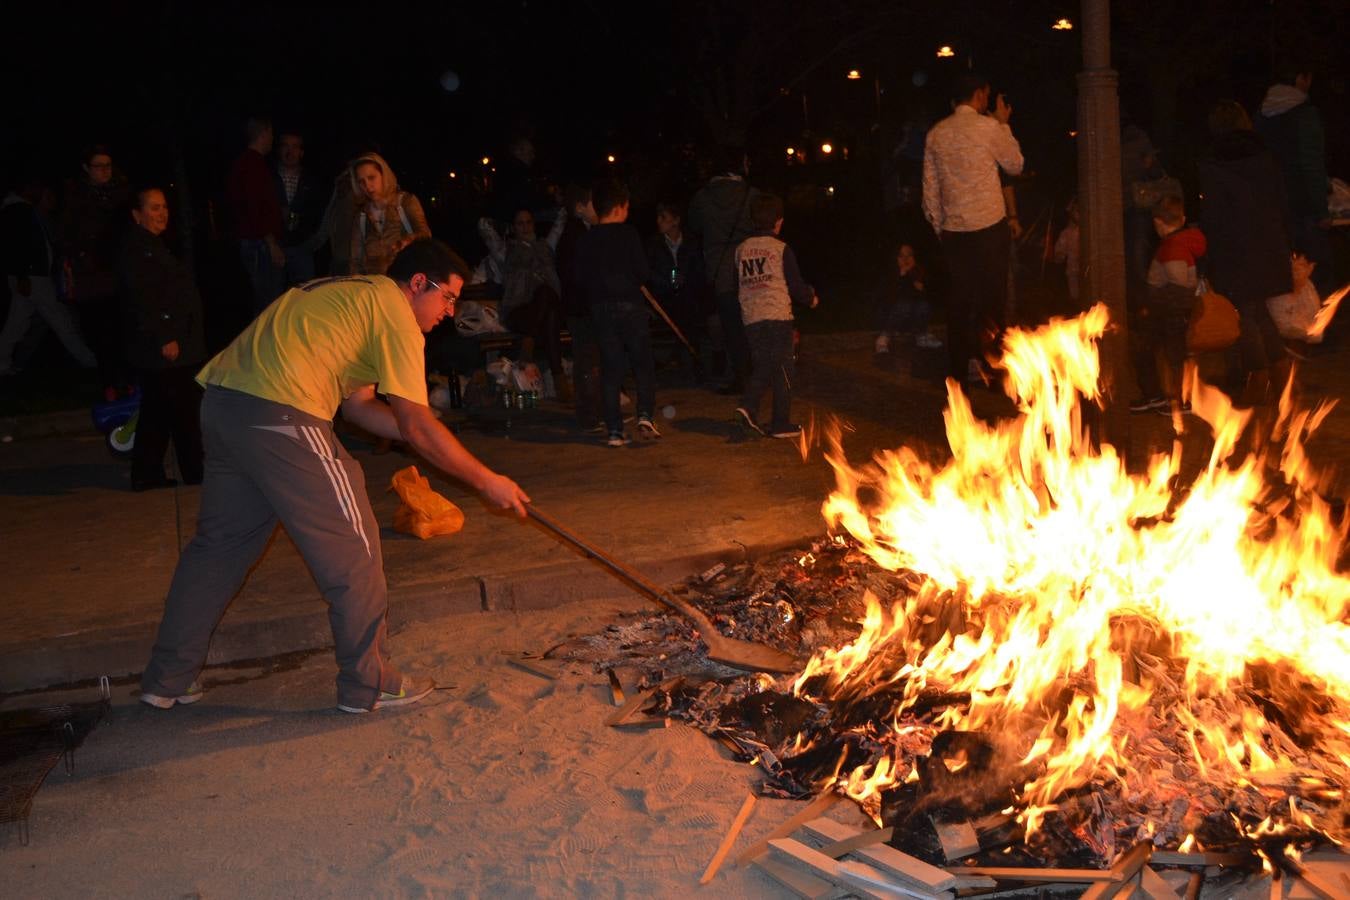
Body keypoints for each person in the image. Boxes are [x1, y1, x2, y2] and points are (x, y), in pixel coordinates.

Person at [138, 238, 530, 714]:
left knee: (218, 550)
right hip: (283, 413)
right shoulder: (394, 312)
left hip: (226, 406)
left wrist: (429, 432)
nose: (450, 311)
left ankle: (167, 679)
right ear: (418, 284)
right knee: (355, 548)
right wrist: (486, 479)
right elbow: (414, 424)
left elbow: (361, 406)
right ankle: (370, 682)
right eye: (448, 297)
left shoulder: (353, 296)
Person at [922, 73, 1024, 383]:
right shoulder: (989, 128)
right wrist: (1004, 123)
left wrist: (941, 227)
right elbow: (1015, 164)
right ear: (979, 95)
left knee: (959, 302)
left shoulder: (936, 134)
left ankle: (957, 376)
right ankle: (990, 364)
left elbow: (930, 189)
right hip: (990, 227)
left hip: (955, 232)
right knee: (992, 301)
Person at [1198, 100, 1293, 405]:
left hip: (1234, 247)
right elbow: (1282, 199)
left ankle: (1259, 374)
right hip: (1268, 243)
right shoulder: (1267, 158)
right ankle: (1280, 377)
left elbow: (1213, 214)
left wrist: (1209, 253)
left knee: (1246, 314)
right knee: (1260, 311)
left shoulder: (1213, 165)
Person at [118, 187, 206, 490]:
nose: (162, 213)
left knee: (161, 411)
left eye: (164, 207)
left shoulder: (151, 245)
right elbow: (147, 299)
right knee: (180, 411)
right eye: (154, 208)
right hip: (164, 347)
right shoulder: (139, 250)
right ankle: (192, 470)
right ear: (137, 215)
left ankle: (149, 473)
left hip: (167, 344)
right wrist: (166, 336)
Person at [573, 178, 658, 447]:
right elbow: (643, 272)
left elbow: (579, 276)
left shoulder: (587, 239)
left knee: (611, 368)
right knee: (642, 363)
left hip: (601, 308)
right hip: (630, 305)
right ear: (621, 207)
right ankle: (644, 414)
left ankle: (614, 430)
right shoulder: (629, 234)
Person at [732, 193, 818, 439]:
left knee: (765, 363)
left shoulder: (740, 250)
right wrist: (810, 298)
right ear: (778, 221)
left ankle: (768, 417)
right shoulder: (781, 249)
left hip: (752, 318)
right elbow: (795, 285)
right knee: (782, 367)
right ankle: (758, 410)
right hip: (777, 316)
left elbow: (737, 282)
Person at [0, 173, 98, 376]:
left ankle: (4, 363)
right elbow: (15, 245)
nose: (39, 193)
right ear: (27, 188)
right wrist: (22, 275)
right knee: (59, 319)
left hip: (32, 275)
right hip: (32, 276)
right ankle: (89, 361)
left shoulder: (21, 209)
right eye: (36, 188)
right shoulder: (18, 210)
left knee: (18, 323)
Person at [476, 206, 570, 401]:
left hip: (541, 315)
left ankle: (530, 341)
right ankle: (558, 379)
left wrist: (545, 215)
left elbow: (561, 217)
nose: (525, 227)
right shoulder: (506, 250)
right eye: (520, 223)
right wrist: (506, 226)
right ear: (514, 227)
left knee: (548, 299)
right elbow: (483, 225)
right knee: (549, 304)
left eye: (529, 222)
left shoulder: (546, 246)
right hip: (519, 311)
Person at [1255, 61, 1332, 295]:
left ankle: (1288, 319)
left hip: (1273, 201)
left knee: (1284, 266)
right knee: (1315, 268)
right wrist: (1321, 210)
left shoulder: (1261, 115)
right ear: (1301, 78)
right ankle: (1315, 320)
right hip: (1303, 204)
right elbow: (1311, 164)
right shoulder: (1304, 115)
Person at [688, 146, 761, 394]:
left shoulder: (702, 197)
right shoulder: (752, 195)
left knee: (731, 326)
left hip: (720, 271)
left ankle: (741, 376)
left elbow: (694, 227)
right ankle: (757, 374)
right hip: (752, 268)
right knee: (752, 322)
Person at [62, 144, 131, 397]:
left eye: (108, 166)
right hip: (91, 278)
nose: (104, 171)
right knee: (100, 333)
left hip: (119, 275)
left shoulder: (121, 194)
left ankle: (127, 380)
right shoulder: (76, 197)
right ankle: (110, 382)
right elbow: (68, 235)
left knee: (123, 330)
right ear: (86, 168)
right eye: (98, 166)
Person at [1127, 195, 1206, 415]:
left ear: (1158, 223)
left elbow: (1179, 285)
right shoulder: (1183, 243)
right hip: (1174, 313)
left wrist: (1158, 309)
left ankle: (1165, 399)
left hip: (1168, 313)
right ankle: (1171, 399)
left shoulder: (1173, 247)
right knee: (1172, 355)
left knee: (1149, 351)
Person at [225, 117, 286, 313]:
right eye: (271, 134)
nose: (272, 139)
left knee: (264, 299)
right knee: (268, 303)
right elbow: (254, 207)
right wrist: (271, 243)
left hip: (256, 242)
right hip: (259, 245)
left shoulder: (247, 164)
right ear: (264, 133)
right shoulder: (252, 165)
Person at [645, 200, 709, 383]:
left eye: (663, 217)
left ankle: (692, 362)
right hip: (663, 296)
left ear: (676, 221)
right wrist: (667, 282)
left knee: (689, 310)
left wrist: (684, 281)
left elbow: (699, 271)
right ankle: (686, 360)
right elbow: (648, 272)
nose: (659, 221)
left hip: (687, 294)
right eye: (658, 217)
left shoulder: (691, 242)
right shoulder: (653, 244)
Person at [555, 182, 601, 430]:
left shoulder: (586, 231)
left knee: (593, 359)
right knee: (586, 360)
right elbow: (575, 274)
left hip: (585, 306)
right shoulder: (574, 236)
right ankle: (588, 415)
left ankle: (596, 410)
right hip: (580, 308)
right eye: (593, 203)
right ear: (580, 207)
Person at [349, 153, 431, 276]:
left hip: (406, 280)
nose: (367, 186)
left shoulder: (405, 202)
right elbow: (355, 260)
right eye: (361, 181)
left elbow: (425, 234)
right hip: (376, 285)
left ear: (384, 175)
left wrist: (407, 241)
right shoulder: (361, 216)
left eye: (371, 178)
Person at [272, 130, 325, 288]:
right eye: (285, 146)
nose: (290, 151)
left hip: (302, 248)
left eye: (295, 147)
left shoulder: (312, 181)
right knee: (272, 297)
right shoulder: (268, 177)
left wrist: (309, 238)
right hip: (274, 248)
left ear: (301, 152)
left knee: (303, 294)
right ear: (279, 150)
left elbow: (318, 213)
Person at [873, 242, 940, 356]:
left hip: (910, 320)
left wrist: (921, 288)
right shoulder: (890, 273)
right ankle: (883, 338)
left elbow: (930, 299)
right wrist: (902, 275)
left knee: (922, 305)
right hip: (890, 317)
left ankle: (921, 336)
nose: (906, 259)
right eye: (901, 256)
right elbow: (886, 298)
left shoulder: (919, 273)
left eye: (909, 255)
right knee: (904, 304)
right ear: (895, 258)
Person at [1053, 197, 1081, 306]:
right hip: (1073, 271)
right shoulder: (1067, 233)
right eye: (1077, 211)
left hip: (1087, 270)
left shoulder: (1090, 231)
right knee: (1075, 297)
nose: (1079, 215)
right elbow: (1060, 252)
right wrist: (1059, 255)